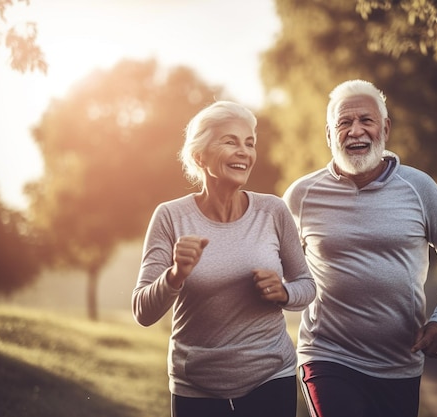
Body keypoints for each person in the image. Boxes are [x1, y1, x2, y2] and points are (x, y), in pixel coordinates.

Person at [283, 80, 437, 417]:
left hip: (400, 363)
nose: (355, 130)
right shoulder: (302, 195)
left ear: (384, 128)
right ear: (329, 135)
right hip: (326, 355)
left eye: (366, 120)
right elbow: (274, 262)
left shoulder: (420, 188)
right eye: (344, 123)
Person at [132, 100, 316, 417]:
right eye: (230, 141)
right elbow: (143, 311)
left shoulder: (272, 211)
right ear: (199, 155)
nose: (244, 151)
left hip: (270, 376)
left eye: (249, 143)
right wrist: (175, 275)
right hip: (196, 386)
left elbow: (307, 285)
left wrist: (284, 292)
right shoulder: (170, 217)